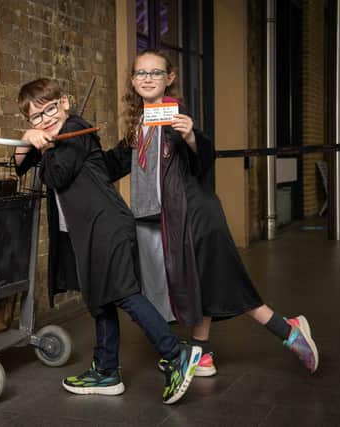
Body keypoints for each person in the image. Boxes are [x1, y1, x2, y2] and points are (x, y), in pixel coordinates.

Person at [103, 49, 319, 377]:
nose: (148, 78)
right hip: (172, 221)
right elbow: (110, 165)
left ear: (169, 79)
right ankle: (203, 352)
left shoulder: (176, 118)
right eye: (141, 73)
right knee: (201, 282)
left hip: (198, 215)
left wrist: (190, 137)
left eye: (156, 73)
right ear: (133, 81)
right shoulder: (137, 128)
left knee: (225, 282)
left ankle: (288, 331)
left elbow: (204, 157)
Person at [13, 78, 201, 404]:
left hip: (107, 227)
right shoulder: (53, 138)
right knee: (100, 300)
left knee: (124, 294)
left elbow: (55, 174)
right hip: (89, 232)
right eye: (36, 117)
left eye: (50, 110)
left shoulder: (75, 128)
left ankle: (176, 354)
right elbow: (19, 165)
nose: (46, 119)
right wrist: (27, 138)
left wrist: (41, 143)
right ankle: (106, 370)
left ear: (65, 103)